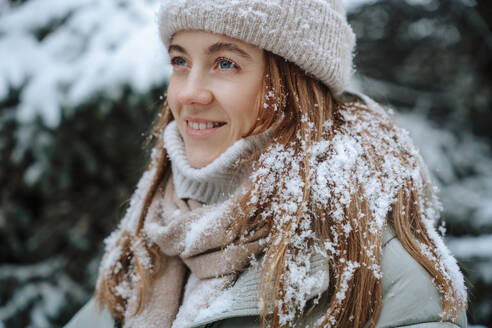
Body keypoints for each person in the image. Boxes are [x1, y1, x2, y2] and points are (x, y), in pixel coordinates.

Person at [64, 0, 468, 327]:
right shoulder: (152, 233)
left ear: (296, 84)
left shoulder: (374, 270)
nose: (188, 93)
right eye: (179, 61)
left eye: (225, 63)